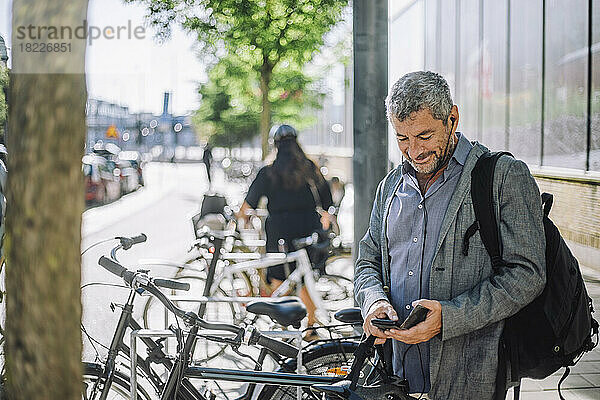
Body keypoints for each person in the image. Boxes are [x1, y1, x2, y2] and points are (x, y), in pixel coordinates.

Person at [354, 71, 546, 399]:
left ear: (452, 118)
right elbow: (368, 261)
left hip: (471, 378)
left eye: (424, 135)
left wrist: (449, 318)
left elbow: (527, 274)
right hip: (397, 377)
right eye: (402, 138)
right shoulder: (389, 187)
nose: (413, 151)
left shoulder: (504, 177)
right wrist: (373, 302)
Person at [238, 124, 334, 336]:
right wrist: (325, 221)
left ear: (275, 144)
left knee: (279, 279)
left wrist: (242, 218)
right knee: (305, 278)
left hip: (279, 231)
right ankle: (310, 326)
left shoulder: (268, 172)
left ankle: (283, 327)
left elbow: (248, 205)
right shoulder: (309, 166)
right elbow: (327, 200)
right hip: (308, 228)